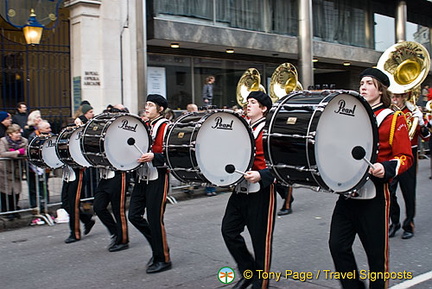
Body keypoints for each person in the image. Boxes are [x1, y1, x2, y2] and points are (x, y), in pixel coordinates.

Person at [328, 68, 413, 289]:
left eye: (369, 83)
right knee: (337, 246)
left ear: (380, 89)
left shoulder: (393, 118)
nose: (363, 87)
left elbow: (406, 157)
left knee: (376, 258)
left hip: (375, 195)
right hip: (347, 194)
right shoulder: (351, 116)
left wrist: (385, 167)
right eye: (362, 83)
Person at [221, 91, 276, 289]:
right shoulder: (241, 128)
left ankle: (261, 283)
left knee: (261, 241)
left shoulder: (270, 130)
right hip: (240, 189)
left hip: (261, 191)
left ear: (263, 108)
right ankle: (249, 272)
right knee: (228, 230)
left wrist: (262, 175)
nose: (248, 105)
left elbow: (279, 163)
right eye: (247, 102)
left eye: (253, 102)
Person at [128, 94, 172, 273]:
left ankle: (163, 258)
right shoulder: (144, 126)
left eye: (151, 105)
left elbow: (172, 154)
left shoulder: (167, 127)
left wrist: (154, 156)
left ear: (160, 109)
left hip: (158, 177)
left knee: (155, 219)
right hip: (142, 176)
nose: (146, 107)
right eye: (146, 104)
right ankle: (157, 246)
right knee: (133, 215)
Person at [388, 92, 430, 239]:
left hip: (409, 157)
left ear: (404, 97)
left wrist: (421, 122)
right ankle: (394, 222)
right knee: (390, 193)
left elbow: (426, 136)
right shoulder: (388, 113)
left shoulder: (412, 113)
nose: (395, 100)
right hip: (392, 157)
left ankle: (408, 224)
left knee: (408, 193)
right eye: (393, 96)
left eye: (398, 96)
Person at [93, 104, 129, 252]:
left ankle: (123, 239)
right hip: (105, 175)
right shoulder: (105, 130)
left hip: (118, 174)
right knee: (98, 207)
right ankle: (115, 232)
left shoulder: (124, 131)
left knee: (118, 210)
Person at [61, 164, 96, 243]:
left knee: (73, 205)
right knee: (65, 203)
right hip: (67, 174)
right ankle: (87, 220)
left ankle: (75, 233)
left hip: (76, 173)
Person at [0, 124, 28, 219]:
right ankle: (6, 211)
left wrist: (21, 153)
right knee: (6, 192)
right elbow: (2, 154)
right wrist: (16, 152)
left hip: (17, 170)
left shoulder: (24, 141)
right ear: (10, 134)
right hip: (5, 171)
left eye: (19, 132)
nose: (18, 134)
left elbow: (26, 152)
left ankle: (14, 210)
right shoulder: (3, 141)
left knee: (16, 191)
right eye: (16, 133)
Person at [28, 120, 53, 211]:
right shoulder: (33, 137)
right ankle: (35, 206)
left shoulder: (51, 135)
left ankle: (45, 204)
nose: (49, 129)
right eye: (47, 128)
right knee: (34, 187)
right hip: (34, 166)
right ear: (40, 129)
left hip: (45, 165)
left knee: (44, 185)